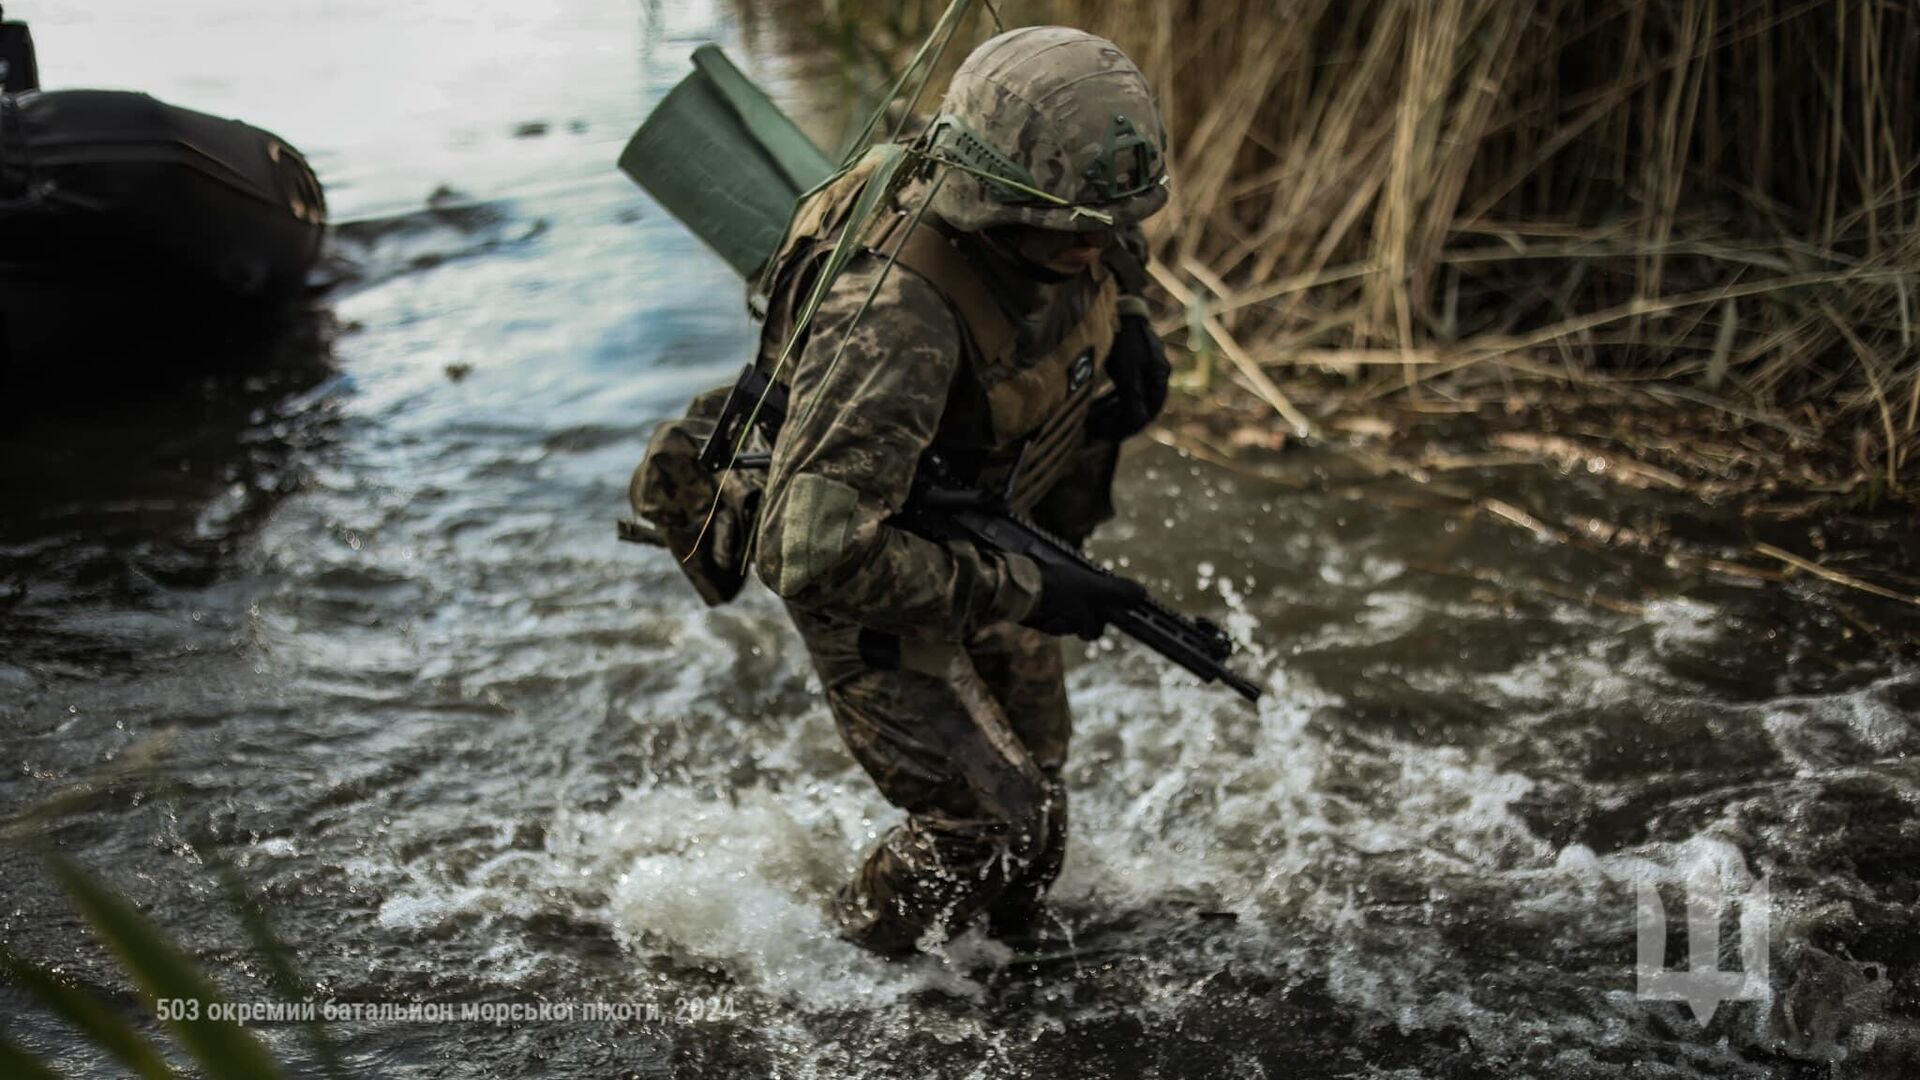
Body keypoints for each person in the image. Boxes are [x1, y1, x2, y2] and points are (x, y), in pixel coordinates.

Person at [751, 25, 1173, 957]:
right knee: (981, 829)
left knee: (1041, 797)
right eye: (1074, 231)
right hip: (862, 549)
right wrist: (1026, 588)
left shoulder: (1068, 205)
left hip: (977, 513)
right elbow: (809, 553)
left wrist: (1133, 317)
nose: (1098, 244)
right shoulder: (896, 314)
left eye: (1108, 225)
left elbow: (1112, 226)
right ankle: (843, 972)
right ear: (995, 199)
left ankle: (1010, 968)